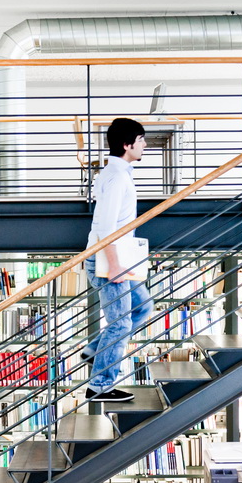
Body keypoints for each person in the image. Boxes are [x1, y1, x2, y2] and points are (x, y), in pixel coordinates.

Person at [80, 117, 155, 402]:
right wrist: (113, 265)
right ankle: (99, 386)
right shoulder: (116, 177)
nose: (145, 144)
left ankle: (95, 350)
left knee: (143, 307)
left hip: (118, 257)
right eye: (141, 140)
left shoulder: (117, 173)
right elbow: (105, 228)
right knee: (121, 323)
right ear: (127, 145)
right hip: (108, 260)